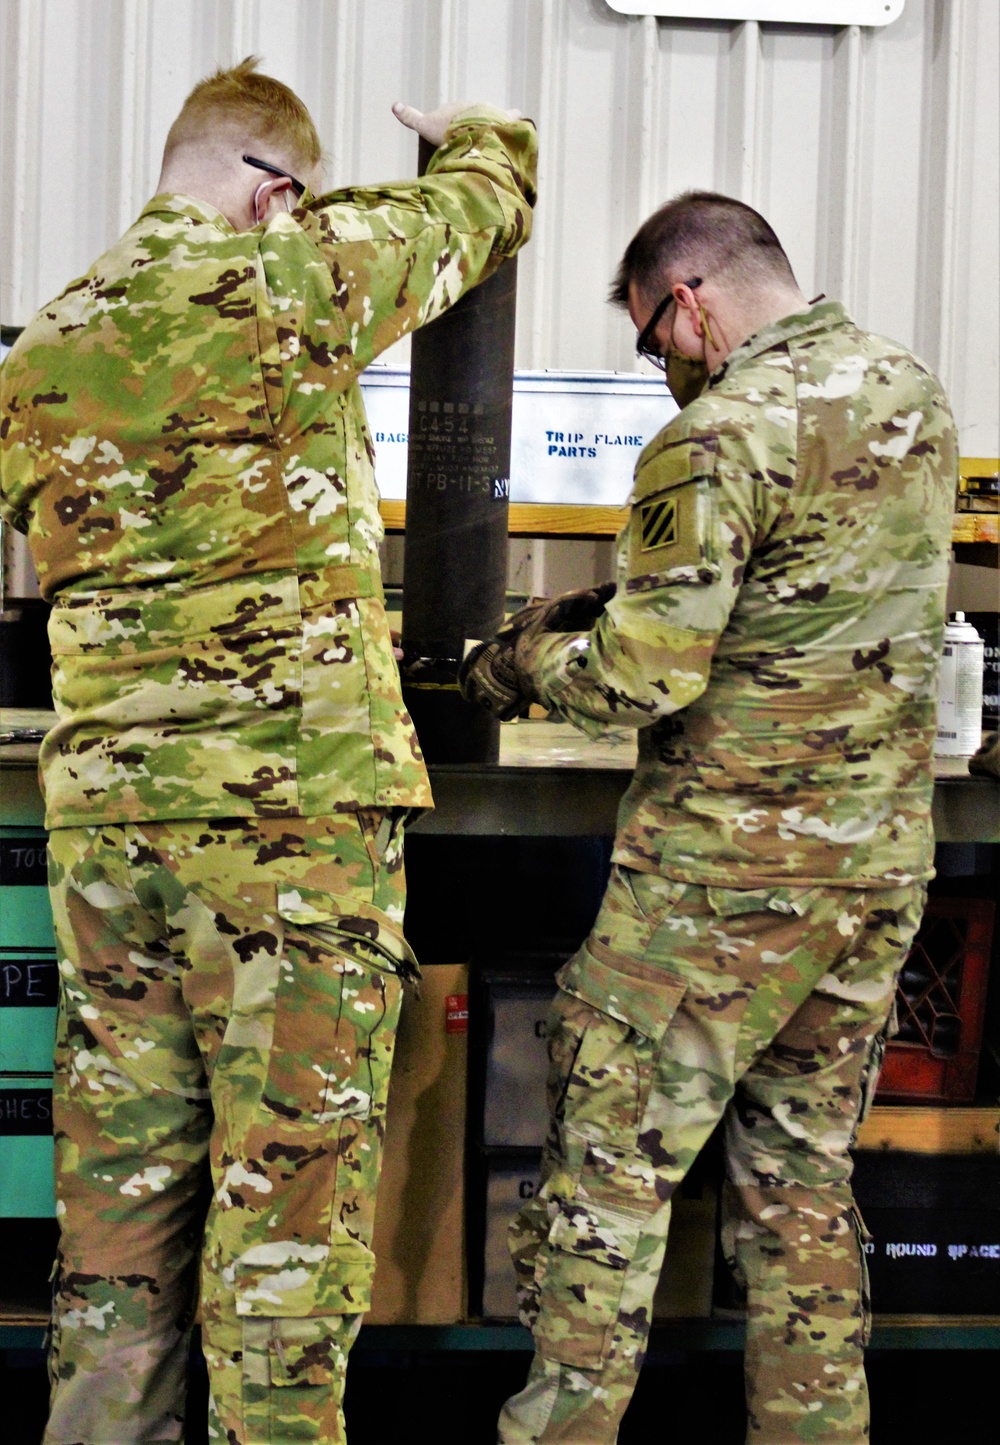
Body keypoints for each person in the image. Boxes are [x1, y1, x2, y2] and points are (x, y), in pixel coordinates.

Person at [0, 58, 536, 1445]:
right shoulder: (292, 276)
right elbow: (481, 208)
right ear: (278, 191)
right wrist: (469, 133)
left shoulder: (44, 346)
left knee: (117, 1213)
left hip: (109, 833)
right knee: (285, 1216)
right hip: (288, 829)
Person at [461, 191, 956, 1443]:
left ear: (690, 301)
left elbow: (645, 677)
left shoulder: (716, 432)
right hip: (872, 876)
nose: (661, 368)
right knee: (800, 1190)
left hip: (719, 886)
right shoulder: (912, 394)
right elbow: (797, 595)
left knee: (605, 1190)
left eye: (651, 339)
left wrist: (516, 663)